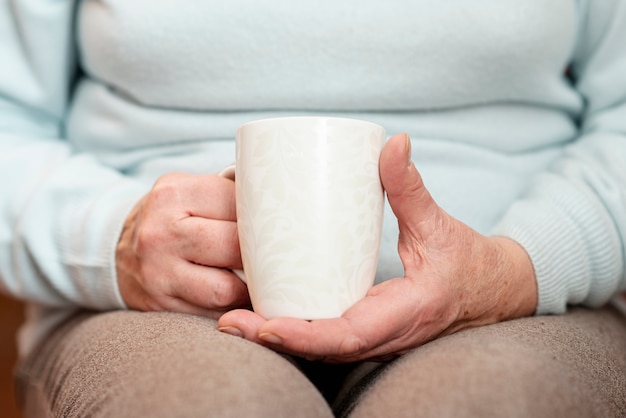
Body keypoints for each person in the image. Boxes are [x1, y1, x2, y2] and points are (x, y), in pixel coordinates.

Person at [1, 0, 626, 416]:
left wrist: (517, 270)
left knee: (487, 403)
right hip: (157, 307)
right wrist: (111, 237)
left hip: (515, 304)